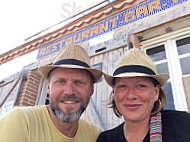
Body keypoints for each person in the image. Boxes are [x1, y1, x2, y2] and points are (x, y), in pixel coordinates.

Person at [0, 44, 102, 142]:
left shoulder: (95, 136)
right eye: (61, 81)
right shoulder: (19, 121)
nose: (69, 91)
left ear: (91, 90)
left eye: (79, 82)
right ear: (48, 87)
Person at [96, 48, 190, 142]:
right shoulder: (105, 139)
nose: (131, 95)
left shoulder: (182, 124)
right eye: (123, 86)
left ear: (156, 92)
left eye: (141, 85)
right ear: (114, 93)